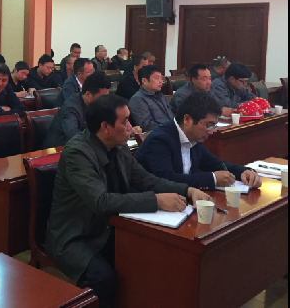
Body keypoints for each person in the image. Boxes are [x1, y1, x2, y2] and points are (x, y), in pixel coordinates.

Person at [45, 95, 211, 308]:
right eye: (124, 122)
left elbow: (146, 180)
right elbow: (101, 201)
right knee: (103, 277)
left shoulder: (119, 146)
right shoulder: (77, 152)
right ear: (105, 127)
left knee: (147, 255)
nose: (130, 127)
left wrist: (188, 190)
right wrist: (156, 201)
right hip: (75, 234)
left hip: (109, 226)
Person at [136, 92, 262, 191]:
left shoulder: (193, 138)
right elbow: (167, 179)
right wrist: (212, 179)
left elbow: (216, 164)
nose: (211, 132)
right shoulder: (160, 140)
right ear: (187, 119)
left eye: (213, 126)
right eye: (208, 125)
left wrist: (244, 171)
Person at [42, 72, 112, 150]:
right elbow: (73, 135)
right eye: (102, 98)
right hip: (58, 149)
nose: (105, 101)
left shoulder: (96, 104)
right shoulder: (70, 108)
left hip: (81, 147)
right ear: (88, 95)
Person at [128, 65, 174, 131]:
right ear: (144, 81)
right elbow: (147, 126)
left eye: (161, 78)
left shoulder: (161, 95)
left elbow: (172, 116)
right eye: (157, 78)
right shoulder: (137, 100)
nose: (160, 81)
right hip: (160, 133)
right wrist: (170, 129)